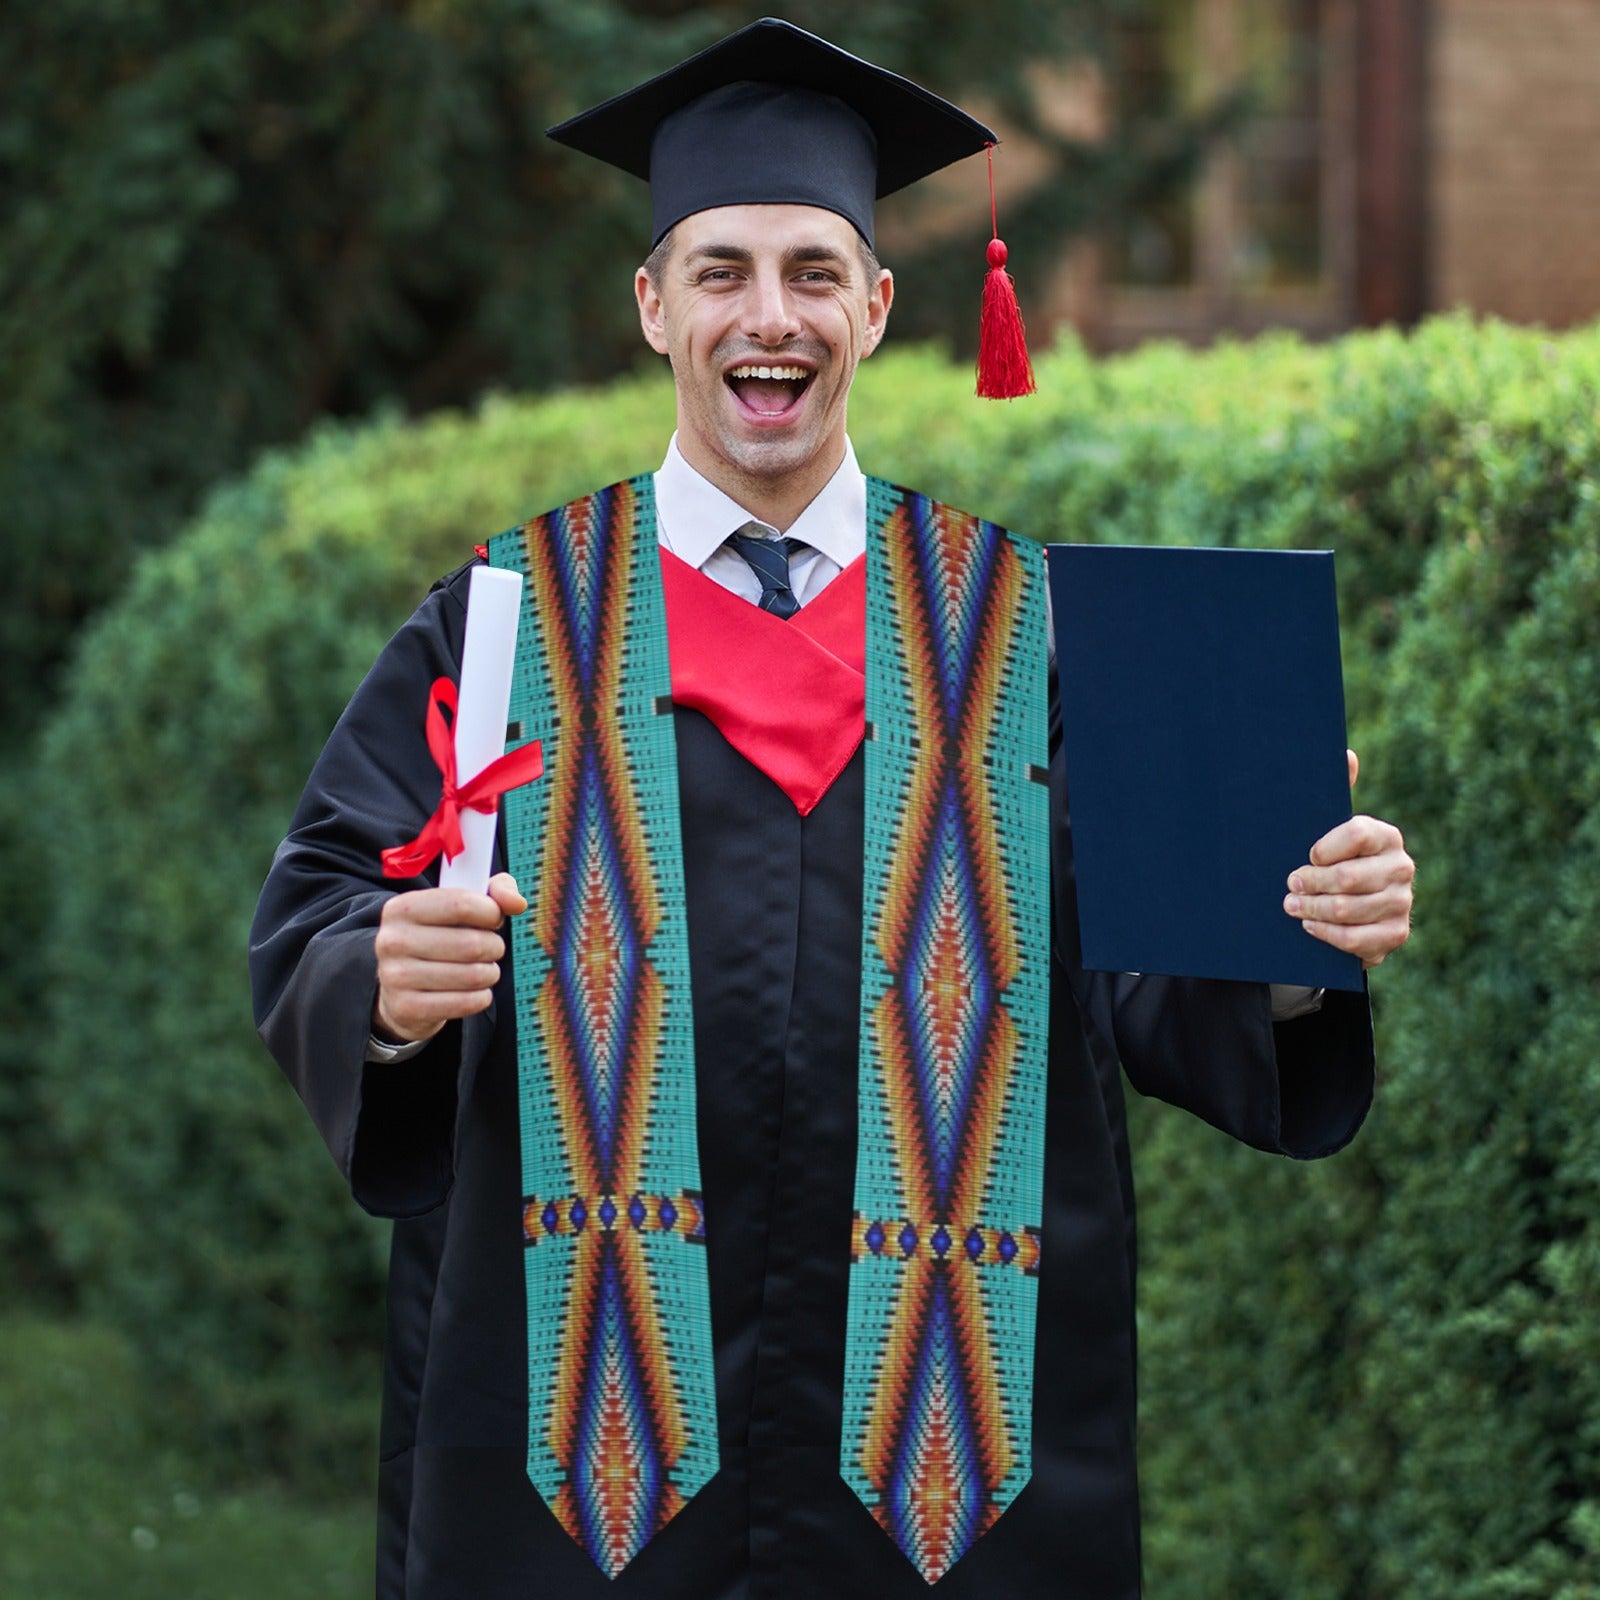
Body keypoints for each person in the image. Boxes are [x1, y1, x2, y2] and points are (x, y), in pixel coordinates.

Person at [249, 19, 1415, 1600]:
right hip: (580, 1467)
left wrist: (1293, 935)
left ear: (876, 305)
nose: (768, 317)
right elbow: (324, 905)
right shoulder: (510, 625)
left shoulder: (1031, 631)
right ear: (654, 305)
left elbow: (1150, 980)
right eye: (721, 270)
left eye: (812, 271)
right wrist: (379, 985)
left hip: (954, 1466)